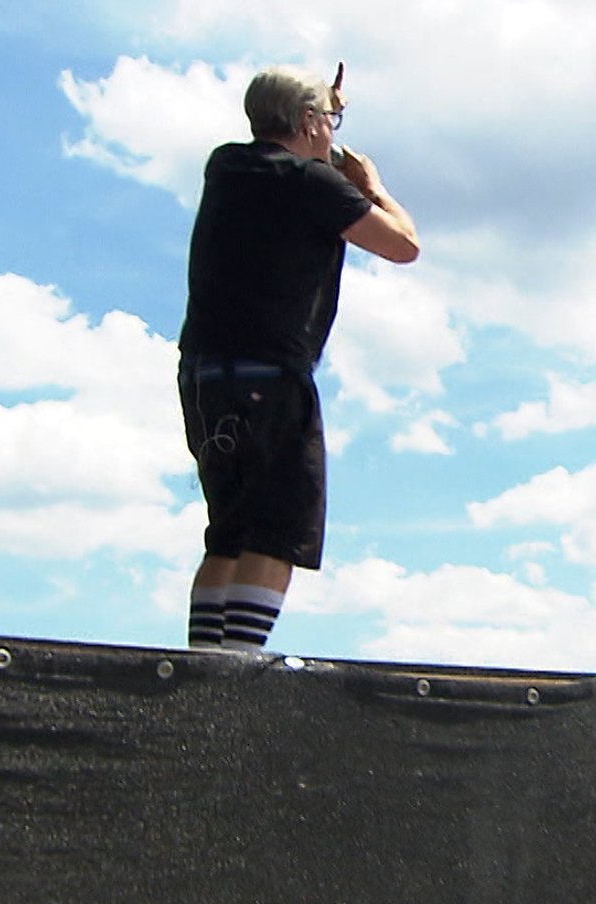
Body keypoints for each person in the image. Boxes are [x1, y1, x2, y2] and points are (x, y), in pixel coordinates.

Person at [176, 65, 419, 651]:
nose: (334, 133)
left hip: (204, 376)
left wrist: (321, 112)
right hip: (271, 375)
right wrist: (372, 183)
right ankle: (238, 671)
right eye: (330, 123)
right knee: (276, 532)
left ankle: (204, 669)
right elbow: (402, 244)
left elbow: (291, 148)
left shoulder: (225, 167)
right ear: (309, 123)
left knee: (228, 533)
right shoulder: (314, 186)